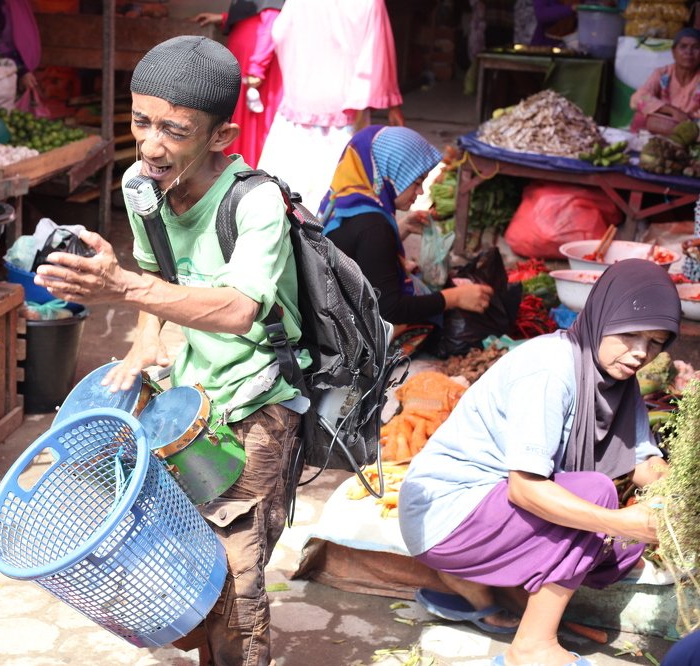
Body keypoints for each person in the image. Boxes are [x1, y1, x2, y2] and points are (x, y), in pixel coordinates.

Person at [34, 35, 304, 666]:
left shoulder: (257, 203)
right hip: (187, 400)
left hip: (260, 396)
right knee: (184, 554)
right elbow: (160, 275)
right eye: (140, 123)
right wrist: (143, 346)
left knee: (238, 576)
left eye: (175, 131)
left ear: (222, 137)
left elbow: (239, 310)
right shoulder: (140, 186)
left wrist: (121, 285)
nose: (151, 145)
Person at [398, 258, 679, 666]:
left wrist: (683, 494)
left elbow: (643, 462)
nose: (640, 353)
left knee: (621, 546)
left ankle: (491, 590)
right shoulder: (551, 368)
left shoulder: (618, 381)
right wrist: (619, 521)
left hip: (487, 514)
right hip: (443, 514)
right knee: (599, 498)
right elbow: (525, 489)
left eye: (654, 342)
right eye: (630, 334)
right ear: (601, 317)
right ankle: (532, 646)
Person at [318, 126, 492, 335]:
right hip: (342, 330)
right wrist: (455, 297)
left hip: (327, 307)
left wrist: (402, 229)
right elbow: (391, 310)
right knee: (421, 324)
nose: (420, 192)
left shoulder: (345, 198)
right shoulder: (373, 226)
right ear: (391, 174)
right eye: (417, 183)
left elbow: (355, 251)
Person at [257, 0, 404, 210]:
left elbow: (280, 34)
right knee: (333, 198)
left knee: (278, 194)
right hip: (342, 110)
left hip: (297, 106)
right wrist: (392, 104)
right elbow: (377, 51)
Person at [194, 1, 284, 168]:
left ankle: (250, 169)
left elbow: (271, 22)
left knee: (252, 122)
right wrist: (224, 18)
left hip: (255, 64)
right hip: (247, 60)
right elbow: (254, 13)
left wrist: (257, 68)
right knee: (240, 118)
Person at [631, 27, 700, 131]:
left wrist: (688, 119)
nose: (688, 52)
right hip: (664, 123)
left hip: (692, 128)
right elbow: (638, 98)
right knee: (640, 115)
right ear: (673, 52)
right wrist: (673, 111)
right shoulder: (663, 73)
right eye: (683, 46)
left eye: (695, 47)